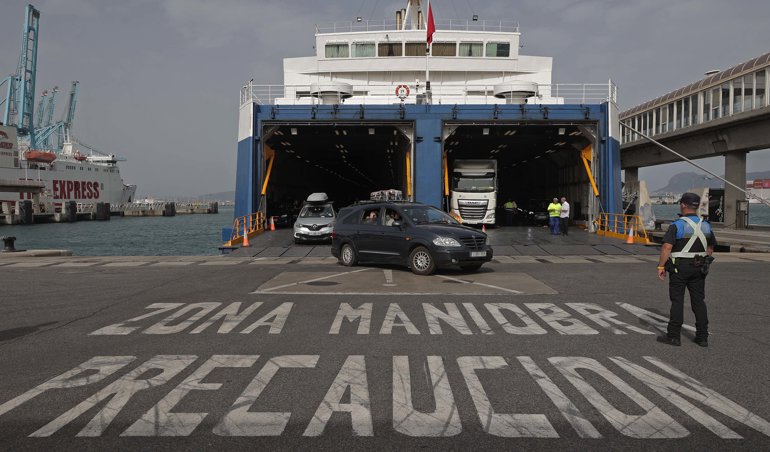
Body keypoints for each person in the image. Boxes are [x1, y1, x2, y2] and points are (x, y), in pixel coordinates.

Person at [656, 192, 716, 347]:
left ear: (683, 204)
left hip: (679, 268)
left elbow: (666, 247)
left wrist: (661, 266)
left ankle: (674, 336)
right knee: (699, 301)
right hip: (700, 267)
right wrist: (703, 260)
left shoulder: (677, 225)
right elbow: (710, 248)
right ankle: (702, 337)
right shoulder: (706, 225)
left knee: (677, 301)